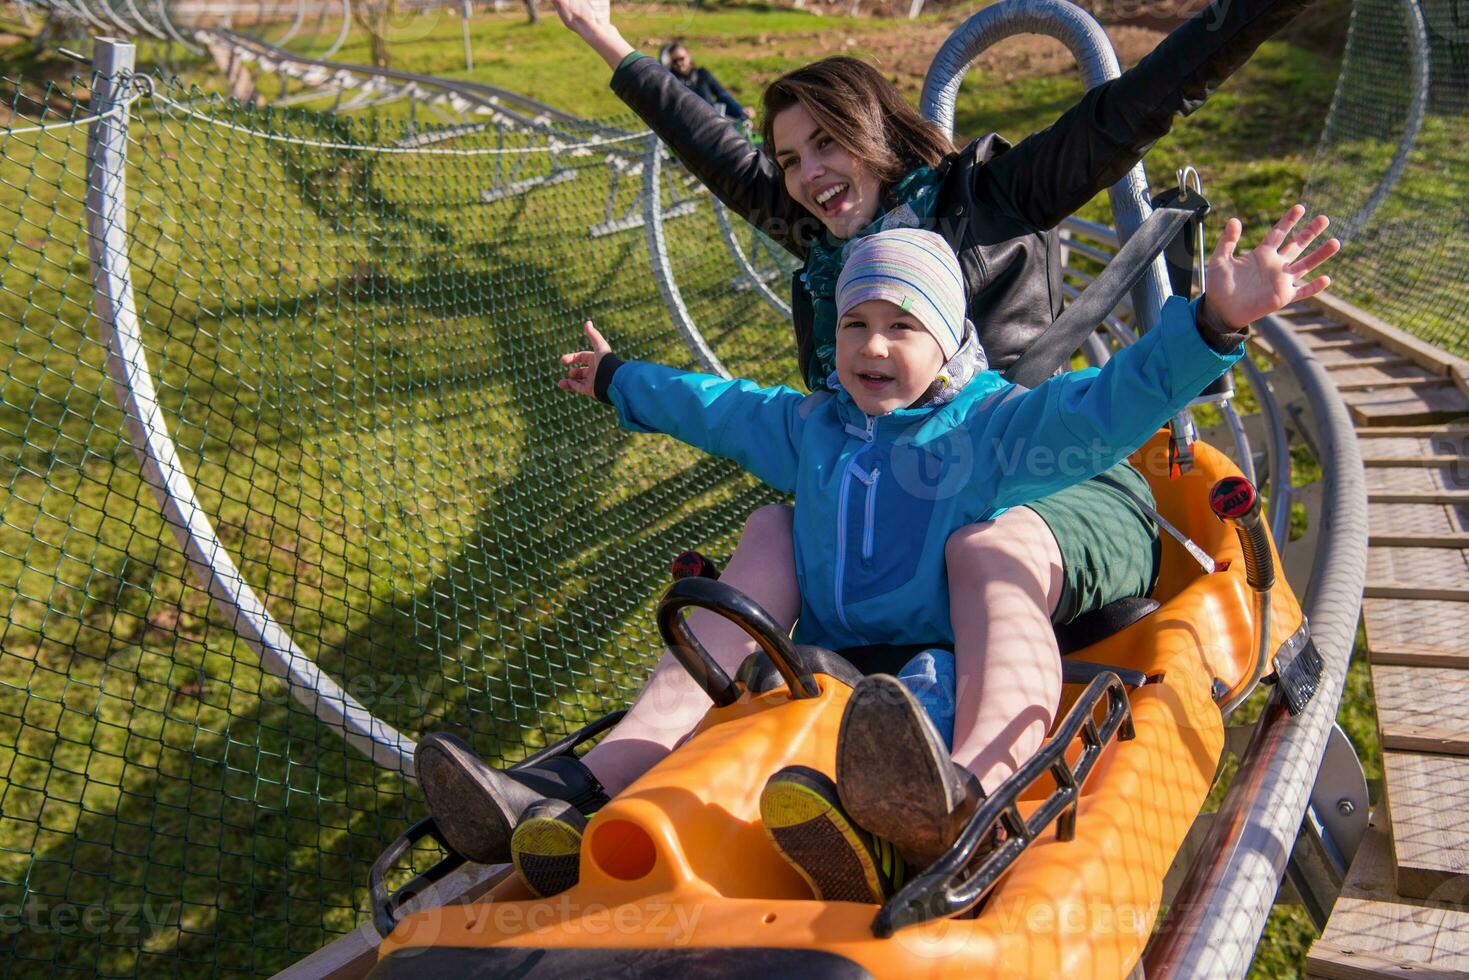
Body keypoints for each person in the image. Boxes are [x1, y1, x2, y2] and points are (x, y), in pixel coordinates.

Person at [413, 0, 1325, 899]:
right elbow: (720, 218)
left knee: (988, 541)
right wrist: (604, 39)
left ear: (873, 128)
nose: (809, 173)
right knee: (774, 527)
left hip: (1037, 470)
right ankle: (601, 779)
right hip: (892, 486)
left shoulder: (990, 199)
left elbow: (1125, 115)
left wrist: (1209, 320)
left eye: (826, 144)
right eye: (791, 159)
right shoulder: (825, 256)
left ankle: (973, 785)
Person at [660, 40, 755, 121]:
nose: (679, 63)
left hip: (710, 120)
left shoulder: (702, 74)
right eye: (675, 61)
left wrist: (741, 109)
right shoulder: (671, 81)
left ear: (688, 56)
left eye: (681, 58)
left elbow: (722, 94)